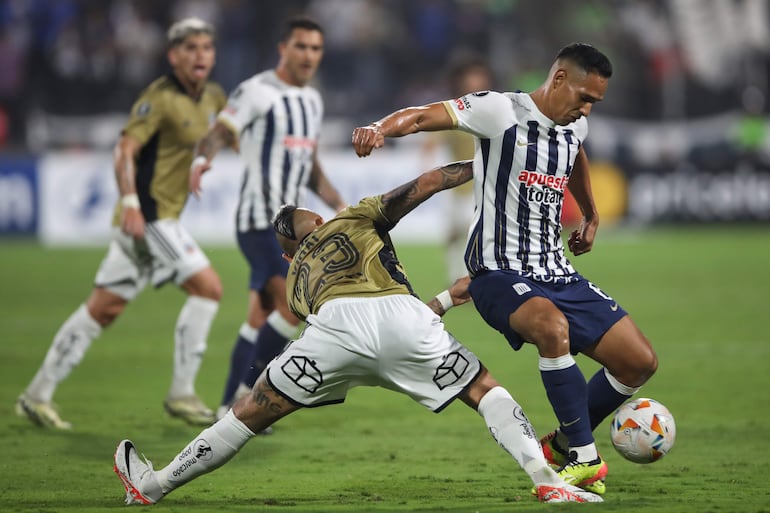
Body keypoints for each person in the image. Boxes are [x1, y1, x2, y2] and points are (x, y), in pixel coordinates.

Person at [113, 160, 602, 505]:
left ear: (286, 254)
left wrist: (443, 301)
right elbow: (429, 182)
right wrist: (491, 163)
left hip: (330, 333)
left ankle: (154, 485)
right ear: (321, 219)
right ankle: (546, 479)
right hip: (404, 320)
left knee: (248, 413)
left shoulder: (296, 279)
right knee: (484, 390)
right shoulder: (355, 215)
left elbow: (358, 323)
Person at [351, 43, 658, 495]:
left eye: (595, 101)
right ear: (558, 79)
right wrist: (379, 128)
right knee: (552, 329)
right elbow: (421, 116)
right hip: (498, 273)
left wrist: (591, 214)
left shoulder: (576, 125)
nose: (587, 109)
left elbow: (574, 155)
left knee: (638, 362)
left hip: (556, 271)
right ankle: (585, 459)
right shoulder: (500, 111)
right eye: (584, 97)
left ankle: (564, 443)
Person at [16, 18, 227, 428]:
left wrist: (206, 158)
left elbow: (218, 135)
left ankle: (37, 394)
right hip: (148, 217)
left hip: (157, 220)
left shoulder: (213, 97)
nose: (200, 55)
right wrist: (130, 202)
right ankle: (182, 393)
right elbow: (124, 149)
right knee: (208, 288)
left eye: (206, 47)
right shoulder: (159, 97)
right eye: (190, 48)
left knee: (102, 308)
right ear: (173, 56)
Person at [189, 16, 346, 422]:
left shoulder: (312, 100)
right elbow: (220, 131)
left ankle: (229, 404)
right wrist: (202, 160)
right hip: (260, 222)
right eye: (301, 46)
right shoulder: (258, 91)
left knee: (260, 317)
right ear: (283, 49)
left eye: (315, 48)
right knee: (294, 306)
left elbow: (309, 166)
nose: (308, 55)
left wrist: (339, 205)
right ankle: (250, 397)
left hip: (290, 231)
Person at [421, 56, 494, 282]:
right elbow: (431, 142)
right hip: (460, 187)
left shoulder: (496, 108)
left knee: (479, 235)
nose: (476, 82)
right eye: (471, 77)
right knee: (456, 234)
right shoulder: (454, 111)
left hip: (489, 186)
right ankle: (458, 278)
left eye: (479, 77)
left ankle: (475, 279)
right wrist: (429, 173)